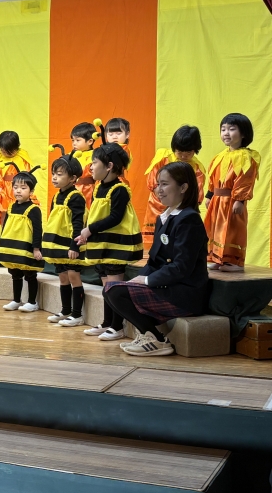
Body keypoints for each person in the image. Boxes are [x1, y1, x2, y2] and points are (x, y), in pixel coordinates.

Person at [104, 162, 209, 356]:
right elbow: (154, 261)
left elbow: (181, 267)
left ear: (183, 187)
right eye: (158, 184)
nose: (158, 189)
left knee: (115, 291)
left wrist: (147, 280)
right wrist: (137, 280)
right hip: (167, 287)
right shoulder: (163, 217)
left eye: (165, 184)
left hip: (184, 293)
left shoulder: (189, 219)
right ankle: (147, 335)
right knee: (113, 289)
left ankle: (157, 341)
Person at [74, 144, 142, 341]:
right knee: (107, 288)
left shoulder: (120, 189)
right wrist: (86, 234)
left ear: (109, 166)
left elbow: (115, 218)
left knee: (114, 288)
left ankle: (117, 326)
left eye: (95, 162)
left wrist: (90, 229)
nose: (91, 167)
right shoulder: (98, 187)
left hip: (115, 246)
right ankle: (107, 323)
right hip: (102, 245)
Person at [204, 113, 259, 272]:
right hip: (217, 201)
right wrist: (209, 195)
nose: (226, 133)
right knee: (216, 229)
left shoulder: (246, 157)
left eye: (232, 129)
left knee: (233, 230)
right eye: (223, 129)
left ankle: (234, 261)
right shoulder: (219, 156)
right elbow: (213, 177)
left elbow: (245, 180)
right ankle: (217, 258)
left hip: (232, 201)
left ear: (243, 134)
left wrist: (240, 200)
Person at [43, 146, 88, 326]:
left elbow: (78, 223)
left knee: (73, 276)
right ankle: (65, 310)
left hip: (70, 245)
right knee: (62, 277)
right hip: (58, 245)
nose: (54, 177)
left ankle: (77, 315)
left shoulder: (76, 197)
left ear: (72, 178)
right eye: (53, 173)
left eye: (59, 174)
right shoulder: (56, 197)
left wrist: (75, 246)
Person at [142, 125, 205, 247]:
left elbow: (196, 191)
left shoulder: (196, 168)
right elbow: (153, 177)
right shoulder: (164, 157)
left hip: (180, 206)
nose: (183, 156)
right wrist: (160, 193)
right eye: (180, 152)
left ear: (195, 150)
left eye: (188, 153)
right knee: (156, 238)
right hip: (158, 203)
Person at [0, 166, 44, 312]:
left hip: (26, 248)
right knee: (15, 274)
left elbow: (38, 230)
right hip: (13, 248)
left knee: (30, 274)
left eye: (23, 188)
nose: (18, 191)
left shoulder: (34, 209)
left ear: (31, 191)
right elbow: (5, 227)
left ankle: (32, 302)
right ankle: (16, 300)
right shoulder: (11, 207)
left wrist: (36, 249)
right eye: (16, 187)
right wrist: (2, 244)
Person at [0, 131, 34, 226]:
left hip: (19, 187)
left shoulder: (22, 158)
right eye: (2, 150)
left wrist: (25, 187)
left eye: (9, 151)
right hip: (5, 189)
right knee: (4, 211)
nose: (5, 153)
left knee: (20, 210)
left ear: (17, 147)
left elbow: (27, 174)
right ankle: (4, 231)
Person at [70, 120, 101, 208]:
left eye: (78, 140)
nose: (74, 143)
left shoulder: (95, 155)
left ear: (90, 141)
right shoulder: (71, 155)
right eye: (73, 140)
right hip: (71, 188)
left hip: (88, 190)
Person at [104, 118, 132, 187]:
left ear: (127, 134)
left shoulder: (124, 149)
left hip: (117, 181)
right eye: (110, 134)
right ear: (106, 136)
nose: (114, 137)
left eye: (118, 133)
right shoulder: (105, 148)